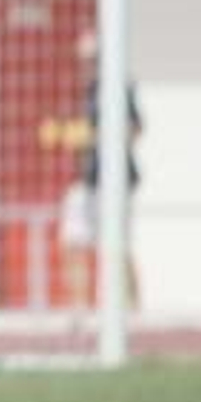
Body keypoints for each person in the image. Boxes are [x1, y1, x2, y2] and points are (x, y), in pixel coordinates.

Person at [56, 29, 143, 313]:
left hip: (116, 184)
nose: (87, 65)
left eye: (92, 59)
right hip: (88, 182)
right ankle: (81, 311)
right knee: (73, 241)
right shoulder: (86, 92)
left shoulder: (119, 88)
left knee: (118, 249)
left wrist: (99, 136)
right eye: (84, 60)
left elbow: (135, 129)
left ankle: (134, 312)